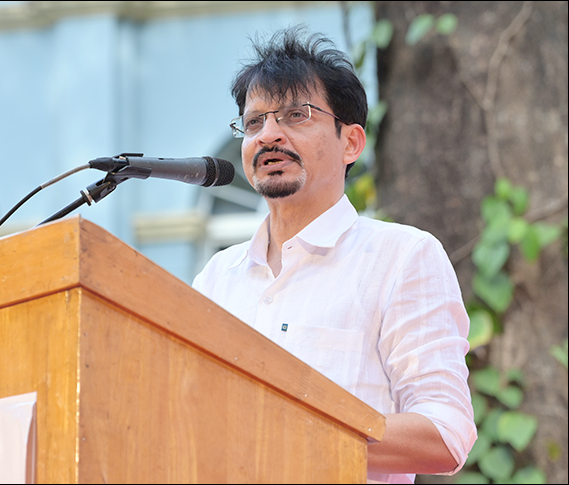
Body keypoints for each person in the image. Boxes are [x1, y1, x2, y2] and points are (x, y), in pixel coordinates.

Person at [192, 26, 476, 484]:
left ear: (351, 143)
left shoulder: (402, 257)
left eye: (295, 115)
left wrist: (286, 431)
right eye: (254, 122)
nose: (268, 135)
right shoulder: (217, 277)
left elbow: (444, 434)